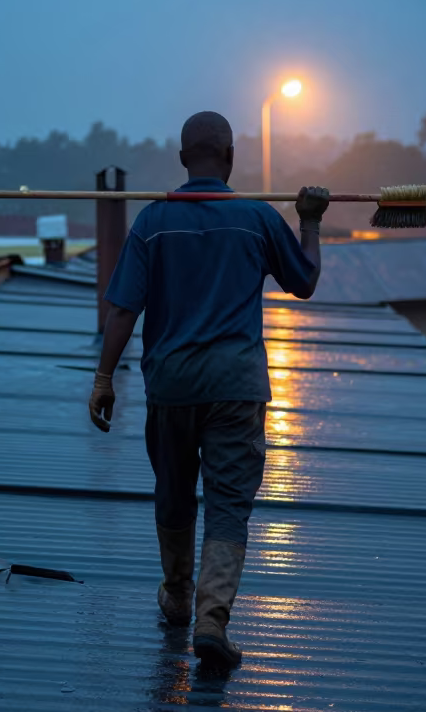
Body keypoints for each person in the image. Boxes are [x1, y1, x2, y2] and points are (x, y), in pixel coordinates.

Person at [88, 110, 329, 669]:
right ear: (231, 157)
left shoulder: (153, 222)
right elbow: (306, 281)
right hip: (235, 386)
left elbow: (123, 309)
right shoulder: (256, 218)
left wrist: (103, 379)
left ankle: (176, 596)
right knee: (226, 507)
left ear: (181, 161)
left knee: (173, 493)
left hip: (170, 385)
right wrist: (309, 220)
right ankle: (212, 620)